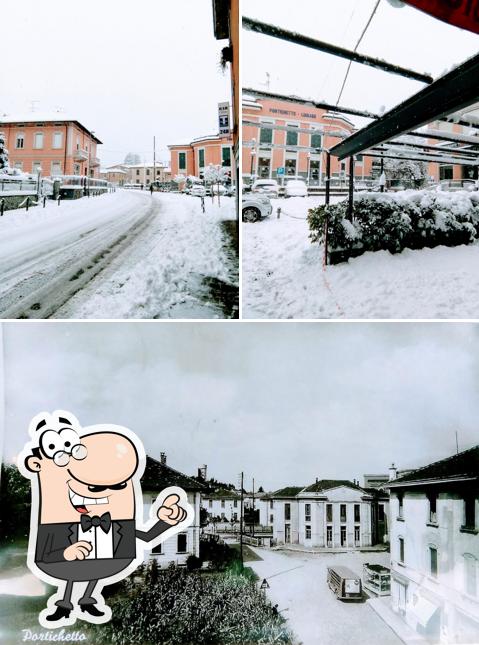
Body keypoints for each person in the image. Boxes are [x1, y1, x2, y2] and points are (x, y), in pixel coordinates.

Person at [20, 411, 192, 627]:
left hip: (105, 562)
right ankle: (64, 605)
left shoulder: (117, 524)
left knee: (95, 571)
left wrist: (165, 522)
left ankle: (87, 600)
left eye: (118, 486)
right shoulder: (58, 523)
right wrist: (66, 552)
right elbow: (45, 554)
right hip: (70, 564)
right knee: (73, 573)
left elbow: (147, 536)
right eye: (94, 487)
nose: (102, 493)